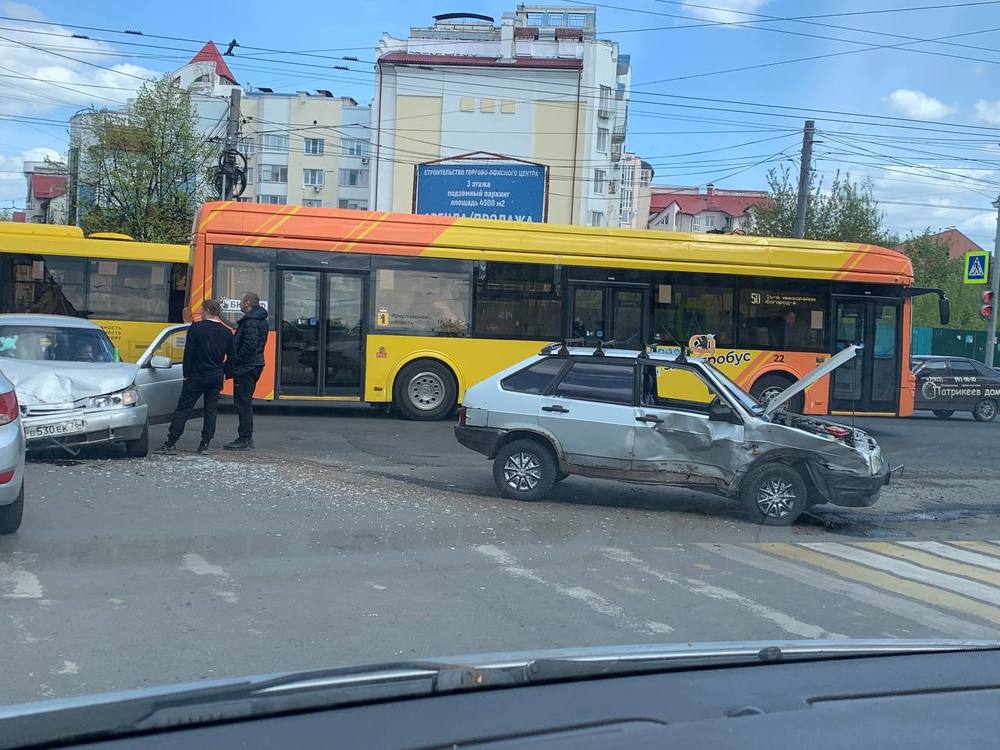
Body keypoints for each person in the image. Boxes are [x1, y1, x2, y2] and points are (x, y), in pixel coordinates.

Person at [154, 299, 233, 455]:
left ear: (207, 311)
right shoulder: (226, 332)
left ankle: (171, 443)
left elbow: (188, 353)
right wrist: (224, 373)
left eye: (202, 310)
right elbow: (233, 356)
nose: (201, 312)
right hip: (215, 376)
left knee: (183, 409)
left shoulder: (196, 328)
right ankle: (205, 444)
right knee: (211, 411)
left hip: (196, 375)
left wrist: (186, 374)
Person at [224, 292, 269, 451]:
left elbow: (249, 346)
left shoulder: (251, 322)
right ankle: (246, 437)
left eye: (241, 301)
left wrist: (235, 360)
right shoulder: (259, 320)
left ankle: (244, 438)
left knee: (242, 403)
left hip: (247, 367)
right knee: (244, 402)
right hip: (253, 365)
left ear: (248, 303)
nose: (240, 304)